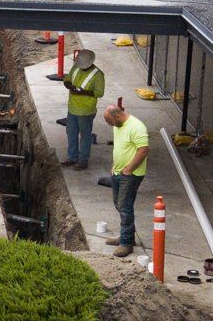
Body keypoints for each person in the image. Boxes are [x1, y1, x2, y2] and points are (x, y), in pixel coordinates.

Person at [101, 104, 149, 257]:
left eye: (109, 121)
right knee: (119, 204)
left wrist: (129, 168)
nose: (109, 124)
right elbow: (121, 147)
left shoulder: (137, 127)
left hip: (131, 175)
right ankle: (126, 236)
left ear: (117, 116)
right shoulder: (117, 125)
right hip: (118, 172)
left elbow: (143, 150)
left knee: (125, 206)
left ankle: (127, 243)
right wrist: (115, 166)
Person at [54, 49, 105, 170]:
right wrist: (70, 87)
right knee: (71, 133)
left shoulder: (98, 75)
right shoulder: (76, 67)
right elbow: (67, 80)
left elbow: (99, 93)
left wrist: (84, 92)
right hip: (72, 108)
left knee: (85, 136)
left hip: (86, 111)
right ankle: (72, 158)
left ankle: (83, 161)